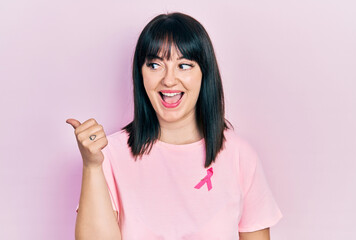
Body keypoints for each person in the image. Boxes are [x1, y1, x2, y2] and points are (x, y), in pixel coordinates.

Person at [66, 12, 283, 240]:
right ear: (141, 74)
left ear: (204, 74)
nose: (169, 80)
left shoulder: (240, 156)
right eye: (155, 64)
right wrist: (92, 166)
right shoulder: (109, 154)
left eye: (184, 65)